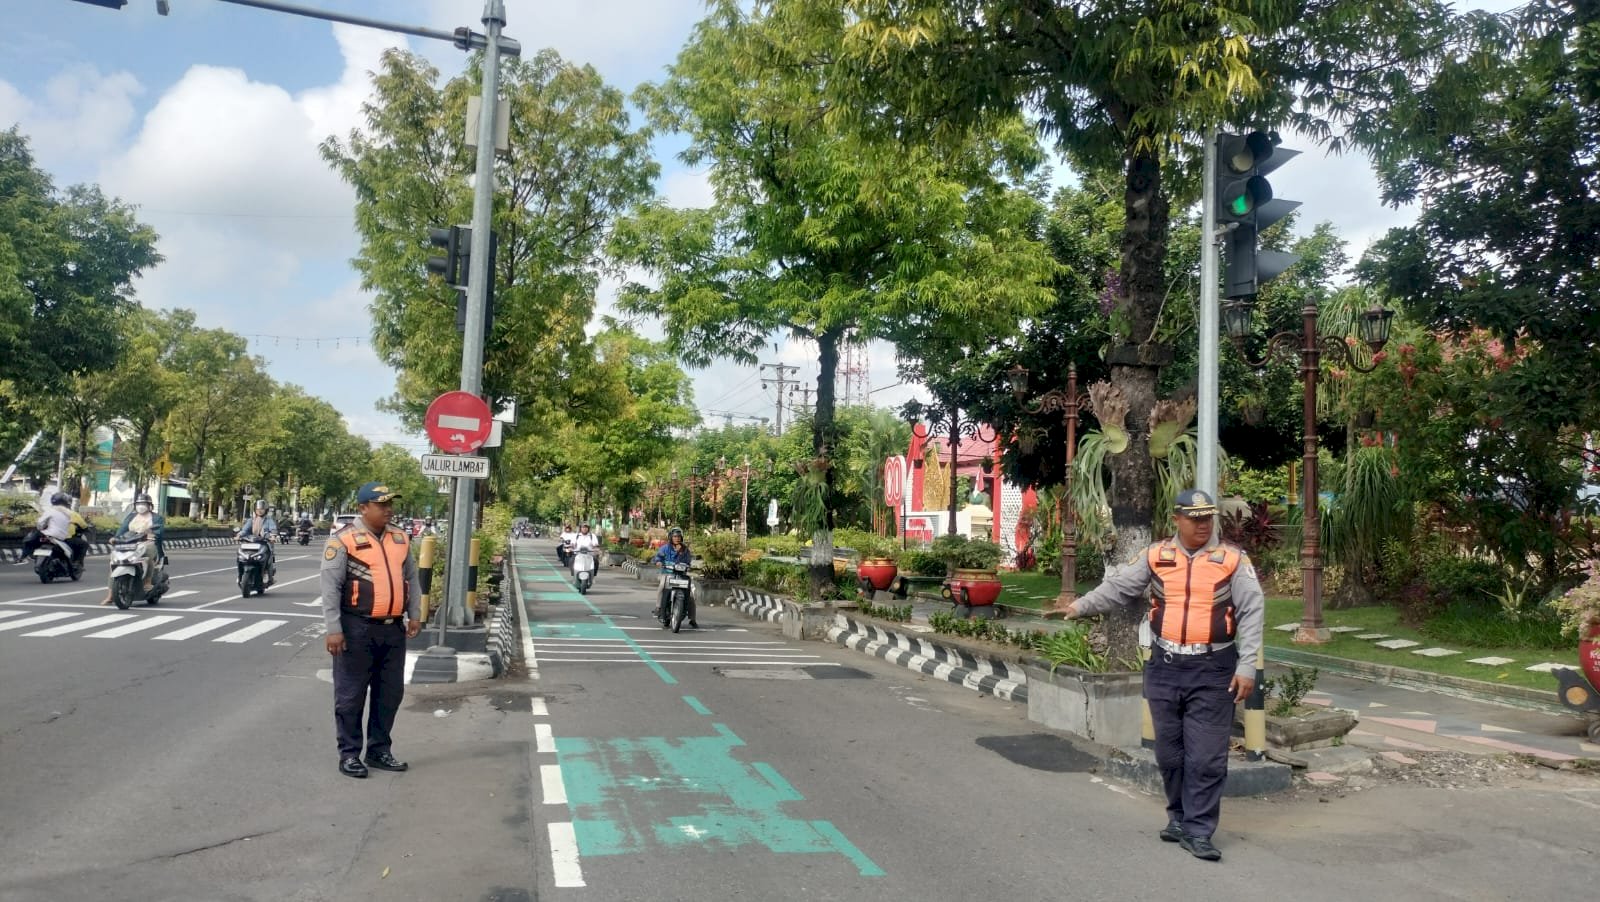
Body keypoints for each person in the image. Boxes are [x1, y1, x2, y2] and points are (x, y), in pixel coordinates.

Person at [1062, 488, 1263, 863]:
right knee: (1170, 755)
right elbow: (1118, 589)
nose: (1203, 524)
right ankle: (1179, 818)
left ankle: (1199, 830)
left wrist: (1247, 666)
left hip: (1214, 668)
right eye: (1195, 518)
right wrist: (1079, 606)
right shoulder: (1156, 556)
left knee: (1205, 757)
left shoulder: (1231, 560)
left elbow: (1252, 613)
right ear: (1177, 520)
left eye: (1208, 518)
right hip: (1165, 667)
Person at [321, 482, 423, 779]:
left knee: (389, 694)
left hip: (392, 630)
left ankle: (379, 750)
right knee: (351, 695)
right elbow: (330, 588)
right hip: (356, 629)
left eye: (390, 504)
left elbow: (412, 580)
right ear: (363, 508)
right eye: (382, 505)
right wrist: (333, 629)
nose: (388, 510)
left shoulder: (400, 539)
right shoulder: (343, 541)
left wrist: (415, 614)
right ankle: (350, 754)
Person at [101, 493, 166, 605]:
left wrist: (151, 533)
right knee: (115, 562)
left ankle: (147, 582)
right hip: (130, 544)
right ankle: (111, 595)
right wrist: (115, 538)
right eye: (139, 504)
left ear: (149, 505)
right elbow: (122, 529)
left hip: (147, 543)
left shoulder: (156, 518)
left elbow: (159, 532)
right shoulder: (131, 517)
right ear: (135, 505)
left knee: (147, 556)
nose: (141, 506)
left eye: (144, 503)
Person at [19, 493, 89, 566]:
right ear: (67, 503)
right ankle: (77, 562)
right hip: (64, 538)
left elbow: (40, 523)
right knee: (83, 544)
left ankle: (24, 556)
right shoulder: (72, 513)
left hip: (46, 535)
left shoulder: (49, 511)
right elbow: (84, 526)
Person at [650, 527, 695, 628]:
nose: (677, 538)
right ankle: (658, 608)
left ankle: (693, 619)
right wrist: (658, 562)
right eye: (675, 536)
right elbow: (658, 557)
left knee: (691, 595)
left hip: (681, 575)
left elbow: (688, 561)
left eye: (679, 536)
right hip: (666, 574)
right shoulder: (665, 548)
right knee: (662, 586)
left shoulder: (685, 550)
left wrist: (689, 566)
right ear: (671, 537)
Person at [236, 499, 278, 584]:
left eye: (262, 509)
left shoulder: (268, 520)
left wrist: (272, 536)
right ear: (255, 510)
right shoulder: (251, 520)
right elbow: (245, 530)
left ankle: (268, 575)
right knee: (241, 557)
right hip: (251, 542)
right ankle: (240, 575)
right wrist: (239, 535)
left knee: (268, 558)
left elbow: (273, 529)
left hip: (264, 543)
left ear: (266, 510)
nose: (260, 511)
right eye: (258, 509)